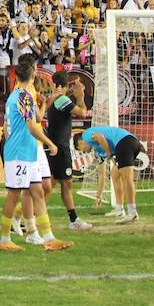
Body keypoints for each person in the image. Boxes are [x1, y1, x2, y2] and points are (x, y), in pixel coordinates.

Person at [0, 59, 73, 252]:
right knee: (14, 194)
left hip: (26, 151)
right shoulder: (23, 97)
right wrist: (49, 143)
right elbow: (32, 126)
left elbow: (31, 120)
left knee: (38, 192)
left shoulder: (19, 96)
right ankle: (5, 238)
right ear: (32, 76)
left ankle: (48, 237)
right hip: (19, 152)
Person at [46, 71, 94, 231]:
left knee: (49, 185)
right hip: (60, 147)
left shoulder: (54, 99)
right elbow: (82, 112)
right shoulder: (62, 99)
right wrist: (80, 96)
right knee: (66, 184)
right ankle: (73, 220)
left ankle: (32, 218)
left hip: (54, 145)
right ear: (66, 85)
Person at [76, 124, 145, 224]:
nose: (83, 152)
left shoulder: (86, 135)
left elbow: (100, 137)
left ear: (80, 143)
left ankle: (132, 212)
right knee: (115, 174)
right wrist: (98, 196)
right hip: (131, 143)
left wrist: (109, 154)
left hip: (125, 142)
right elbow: (101, 174)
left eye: (81, 150)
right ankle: (119, 210)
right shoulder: (98, 150)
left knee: (127, 178)